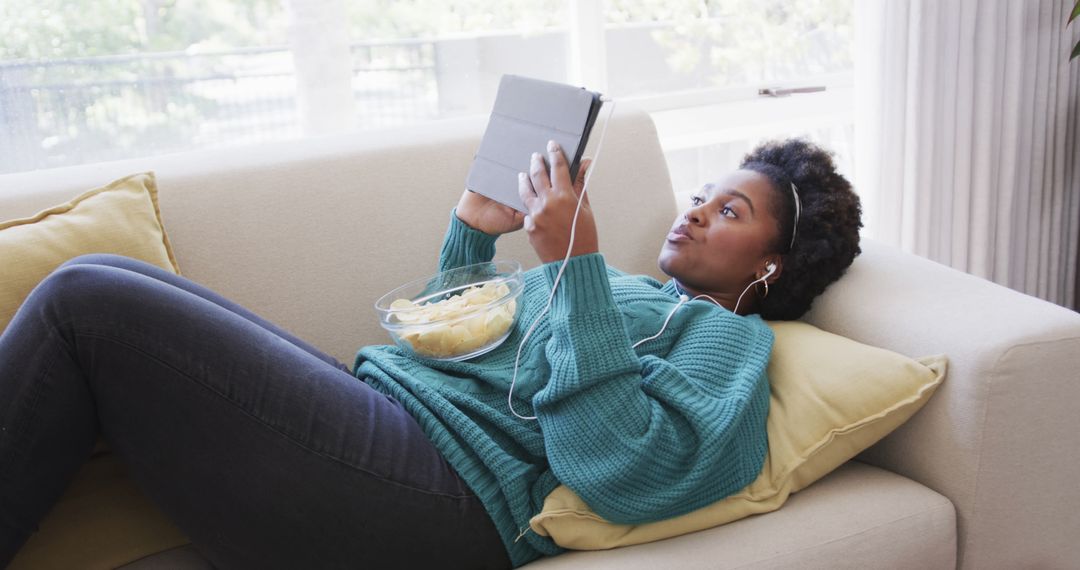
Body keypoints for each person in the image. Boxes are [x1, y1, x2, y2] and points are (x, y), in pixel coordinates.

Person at [0, 138, 861, 569]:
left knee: (90, 301)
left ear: (770, 266)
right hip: (387, 424)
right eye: (705, 193)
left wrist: (574, 268)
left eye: (731, 214)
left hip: (440, 501)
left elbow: (623, 468)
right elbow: (463, 342)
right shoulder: (633, 292)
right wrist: (473, 239)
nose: (699, 209)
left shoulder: (729, 348)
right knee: (104, 275)